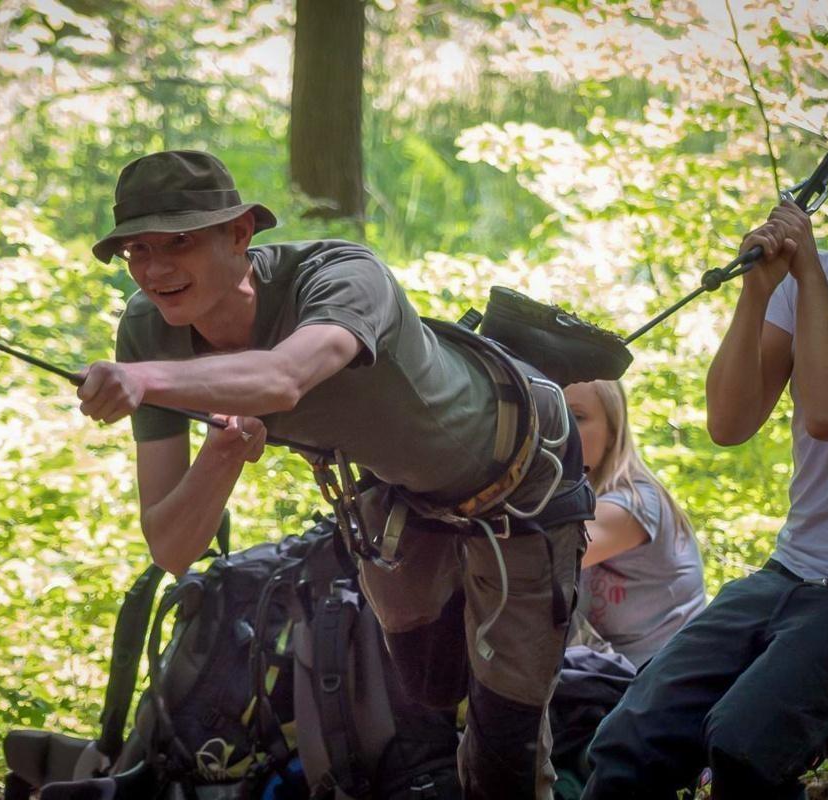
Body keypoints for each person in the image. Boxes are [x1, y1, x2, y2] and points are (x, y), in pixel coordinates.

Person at [75, 150, 595, 798]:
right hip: (396, 497)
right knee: (428, 690)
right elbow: (172, 548)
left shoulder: (342, 275)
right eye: (137, 250)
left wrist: (146, 381)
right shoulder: (148, 330)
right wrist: (222, 451)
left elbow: (284, 377)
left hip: (523, 478)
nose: (154, 270)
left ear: (239, 233)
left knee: (504, 749)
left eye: (178, 242)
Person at [582, 107, 828, 799]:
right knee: (629, 736)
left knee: (743, 747)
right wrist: (757, 294)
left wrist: (805, 275)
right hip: (786, 572)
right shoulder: (821, 280)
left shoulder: (827, 285)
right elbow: (729, 421)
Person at [564, 379, 705, 669]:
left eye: (577, 417)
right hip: (603, 673)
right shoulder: (578, 497)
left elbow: (542, 558)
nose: (561, 428)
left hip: (658, 680)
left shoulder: (634, 503)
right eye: (551, 413)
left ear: (613, 432)